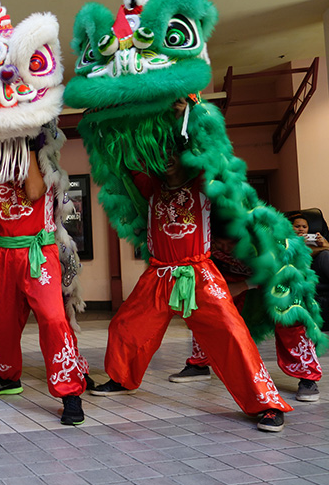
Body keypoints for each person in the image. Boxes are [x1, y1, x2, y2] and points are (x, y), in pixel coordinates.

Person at [90, 150, 293, 432]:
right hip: (159, 273)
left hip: (200, 273)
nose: (167, 157)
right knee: (125, 326)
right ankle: (122, 379)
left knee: (233, 333)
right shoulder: (152, 187)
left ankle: (266, 402)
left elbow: (211, 151)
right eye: (162, 152)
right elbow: (129, 154)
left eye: (174, 151)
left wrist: (189, 106)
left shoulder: (201, 184)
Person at [0, 146, 88, 426]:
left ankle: (70, 391)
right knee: (4, 319)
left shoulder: (40, 158)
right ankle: (7, 377)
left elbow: (34, 191)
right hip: (5, 254)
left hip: (37, 252)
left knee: (52, 318)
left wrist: (23, 147)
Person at [169, 231, 322, 402]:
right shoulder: (205, 241)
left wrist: (245, 285)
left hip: (277, 279)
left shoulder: (270, 243)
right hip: (231, 276)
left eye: (230, 244)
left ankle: (308, 377)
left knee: (290, 316)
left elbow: (282, 275)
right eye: (220, 244)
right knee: (208, 310)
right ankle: (199, 364)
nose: (225, 249)